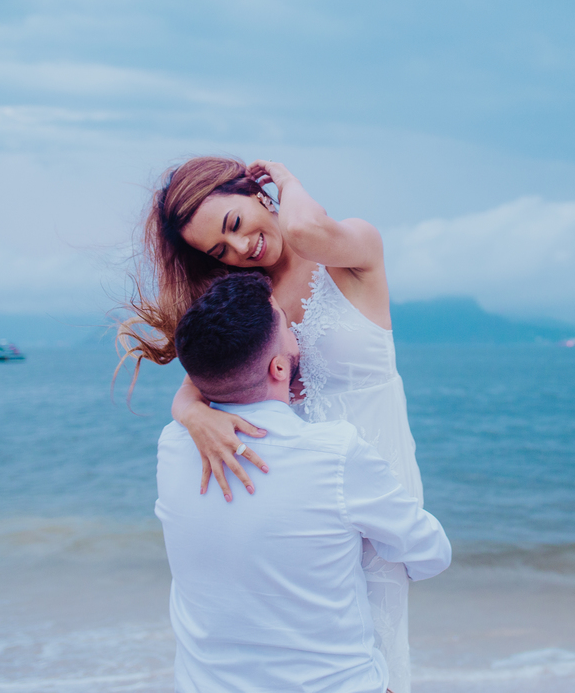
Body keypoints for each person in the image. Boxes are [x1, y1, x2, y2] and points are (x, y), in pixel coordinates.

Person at [120, 156, 424, 691]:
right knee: (317, 654)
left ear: (257, 193)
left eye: (235, 223)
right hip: (299, 492)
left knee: (380, 649)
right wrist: (192, 415)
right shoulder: (253, 297)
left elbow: (304, 229)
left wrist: (286, 180)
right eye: (220, 250)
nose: (240, 249)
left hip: (375, 472)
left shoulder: (351, 247)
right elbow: (197, 384)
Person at [156, 272, 450, 693]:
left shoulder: (172, 446)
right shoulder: (334, 454)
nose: (296, 330)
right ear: (279, 366)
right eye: (286, 324)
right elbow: (431, 552)